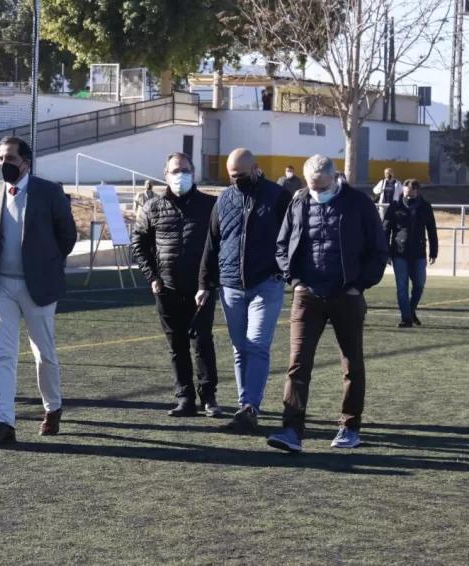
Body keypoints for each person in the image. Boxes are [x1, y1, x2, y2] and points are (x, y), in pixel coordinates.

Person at [267, 154, 387, 453]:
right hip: (307, 295)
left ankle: (349, 427)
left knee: (351, 363)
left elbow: (378, 249)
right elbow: (281, 245)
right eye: (312, 186)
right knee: (298, 364)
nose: (317, 191)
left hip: (347, 295)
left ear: (335, 178)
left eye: (322, 186)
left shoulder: (359, 203)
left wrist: (359, 286)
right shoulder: (298, 202)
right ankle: (291, 430)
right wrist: (295, 280)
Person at [0, 136, 77, 446]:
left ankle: (53, 407)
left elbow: (67, 236)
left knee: (43, 353)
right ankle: (4, 422)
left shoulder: (49, 192)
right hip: (1, 285)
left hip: (38, 286)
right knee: (3, 356)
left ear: (26, 162)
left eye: (9, 158)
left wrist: (45, 264)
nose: (3, 164)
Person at [196, 148, 291, 434]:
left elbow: (292, 237)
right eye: (232, 176)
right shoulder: (224, 199)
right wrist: (204, 283)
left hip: (267, 283)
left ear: (256, 168)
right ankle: (244, 406)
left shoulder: (278, 196)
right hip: (231, 285)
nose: (236, 180)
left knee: (257, 344)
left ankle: (250, 407)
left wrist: (287, 271)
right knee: (240, 348)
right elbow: (212, 242)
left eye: (240, 175)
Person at [131, 152, 221, 418]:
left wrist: (209, 282)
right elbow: (138, 243)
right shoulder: (152, 207)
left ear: (193, 173)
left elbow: (219, 245)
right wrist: (153, 277)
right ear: (165, 175)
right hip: (167, 289)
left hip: (201, 290)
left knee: (202, 342)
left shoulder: (210, 205)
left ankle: (209, 397)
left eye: (185, 170)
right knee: (177, 346)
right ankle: (184, 398)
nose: (180, 175)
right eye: (175, 171)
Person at [384, 179, 438, 327]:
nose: (408, 194)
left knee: (419, 285)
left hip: (419, 252)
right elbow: (385, 230)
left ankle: (410, 310)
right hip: (399, 252)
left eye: (411, 192)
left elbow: (431, 230)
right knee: (402, 287)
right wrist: (386, 252)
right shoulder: (395, 206)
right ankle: (406, 319)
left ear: (417, 191)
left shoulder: (425, 207)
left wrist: (433, 252)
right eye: (406, 191)